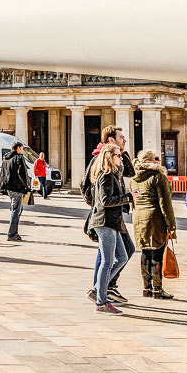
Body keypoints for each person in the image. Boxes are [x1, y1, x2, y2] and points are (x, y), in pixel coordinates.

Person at [81, 126, 137, 301]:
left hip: (114, 215)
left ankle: (104, 287)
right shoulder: (100, 160)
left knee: (116, 253)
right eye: (121, 138)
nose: (125, 140)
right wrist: (98, 206)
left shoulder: (115, 161)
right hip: (105, 215)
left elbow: (131, 172)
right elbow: (86, 186)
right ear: (111, 140)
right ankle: (103, 290)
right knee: (112, 255)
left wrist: (123, 152)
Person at [87, 144, 130, 314]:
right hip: (105, 223)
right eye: (118, 155)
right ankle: (101, 302)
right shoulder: (106, 176)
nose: (121, 158)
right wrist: (128, 197)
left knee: (122, 256)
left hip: (112, 222)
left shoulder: (113, 175)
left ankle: (98, 289)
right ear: (109, 157)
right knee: (107, 261)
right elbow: (106, 201)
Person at [131, 149, 177, 298]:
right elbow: (165, 204)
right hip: (155, 217)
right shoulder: (158, 177)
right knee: (157, 252)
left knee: (145, 252)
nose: (159, 160)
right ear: (149, 161)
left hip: (139, 218)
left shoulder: (134, 179)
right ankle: (157, 289)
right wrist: (171, 226)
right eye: (156, 158)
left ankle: (147, 288)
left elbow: (134, 201)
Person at [1, 141, 30, 241]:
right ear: (18, 149)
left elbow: (2, 174)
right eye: (22, 149)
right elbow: (21, 173)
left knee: (18, 209)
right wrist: (26, 186)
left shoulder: (5, 158)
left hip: (9, 187)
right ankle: (11, 234)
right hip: (17, 187)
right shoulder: (19, 157)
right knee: (16, 210)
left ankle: (15, 232)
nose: (22, 151)